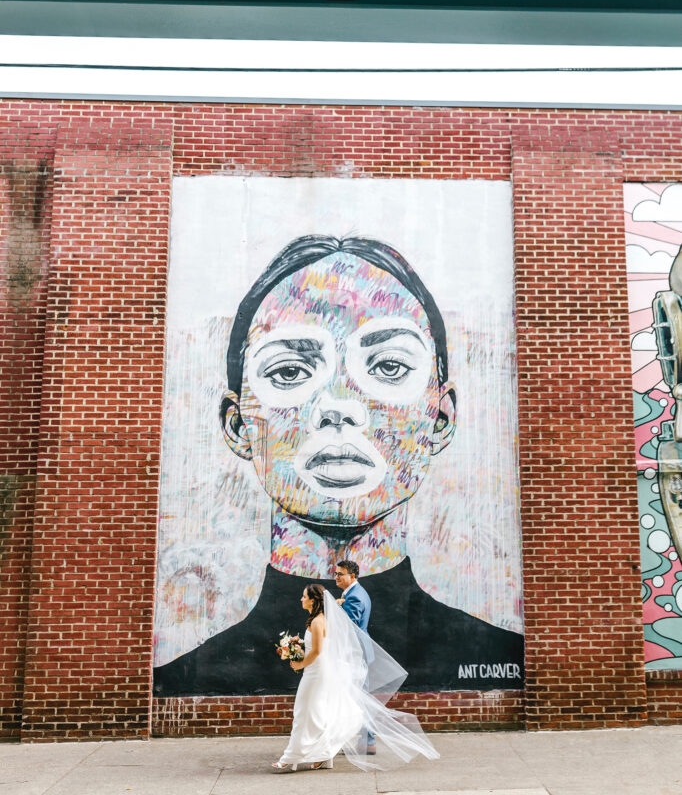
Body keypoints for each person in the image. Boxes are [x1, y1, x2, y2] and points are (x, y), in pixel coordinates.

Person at [154, 235, 523, 696]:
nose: (338, 407)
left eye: (388, 366)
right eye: (289, 371)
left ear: (440, 418)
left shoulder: (497, 652)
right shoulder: (181, 678)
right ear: (238, 425)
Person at [271, 583, 439, 772]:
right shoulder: (319, 619)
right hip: (317, 671)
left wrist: (300, 663)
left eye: (304, 596)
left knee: (305, 712)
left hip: (316, 673)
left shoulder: (318, 621)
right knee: (314, 713)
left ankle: (292, 756)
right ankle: (321, 754)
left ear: (312, 600)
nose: (301, 599)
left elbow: (317, 650)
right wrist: (298, 651)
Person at [335, 559, 375, 754]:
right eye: (336, 574)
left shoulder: (355, 596)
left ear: (352, 576)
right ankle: (367, 740)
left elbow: (349, 624)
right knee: (358, 696)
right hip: (356, 651)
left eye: (340, 574)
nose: (336, 577)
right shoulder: (354, 593)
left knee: (360, 697)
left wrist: (336, 609)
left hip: (356, 652)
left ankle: (369, 740)